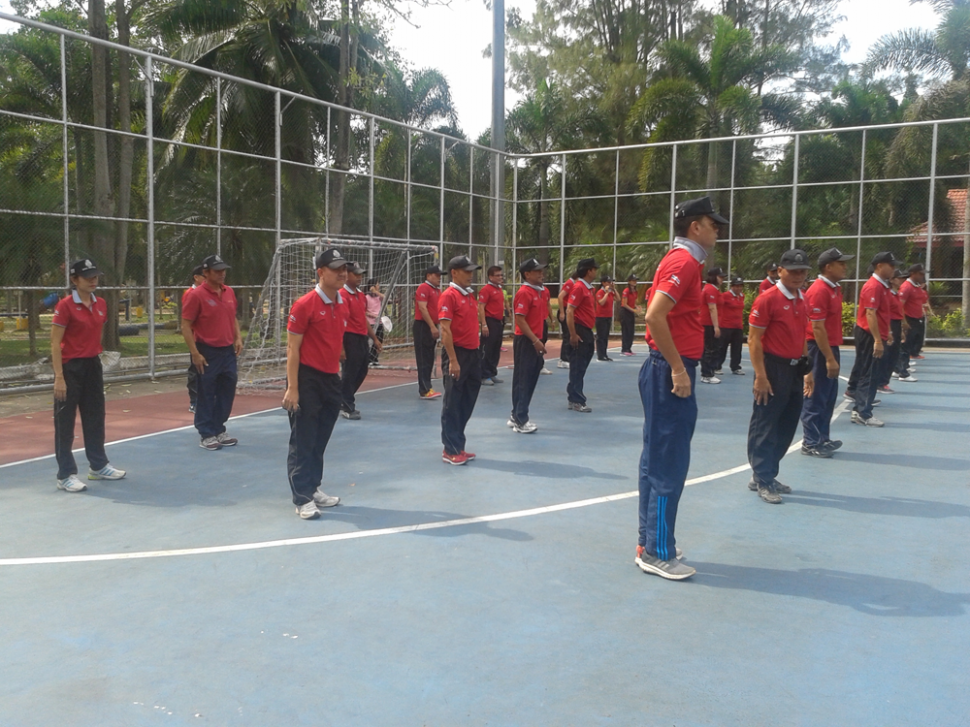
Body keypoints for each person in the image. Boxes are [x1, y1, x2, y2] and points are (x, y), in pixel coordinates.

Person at [635, 196, 725, 581]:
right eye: (712, 224)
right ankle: (657, 551)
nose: (717, 230)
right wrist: (677, 369)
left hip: (665, 367)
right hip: (669, 369)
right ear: (695, 227)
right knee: (668, 462)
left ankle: (650, 541)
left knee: (656, 458)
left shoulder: (684, 260)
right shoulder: (684, 262)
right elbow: (655, 316)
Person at [281, 248, 349, 520]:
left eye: (344, 268)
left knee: (321, 438)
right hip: (306, 378)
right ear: (321, 272)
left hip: (331, 379)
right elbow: (292, 348)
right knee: (303, 439)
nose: (342, 273)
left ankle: (313, 487)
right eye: (336, 269)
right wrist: (293, 387)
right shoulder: (304, 304)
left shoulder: (342, 302)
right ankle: (302, 497)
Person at [50, 258, 127, 492]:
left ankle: (98, 465)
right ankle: (65, 475)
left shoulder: (101, 303)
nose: (93, 280)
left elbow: (96, 334)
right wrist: (59, 376)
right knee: (65, 422)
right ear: (75, 280)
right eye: (87, 277)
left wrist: (94, 355)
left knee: (95, 416)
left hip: (92, 365)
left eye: (95, 276)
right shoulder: (65, 306)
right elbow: (55, 343)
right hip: (70, 368)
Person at [746, 249, 814, 504]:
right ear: (780, 271)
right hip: (773, 368)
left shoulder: (802, 299)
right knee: (765, 424)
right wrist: (760, 376)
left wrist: (807, 370)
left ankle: (766, 474)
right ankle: (763, 479)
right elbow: (754, 339)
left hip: (794, 369)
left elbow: (802, 335)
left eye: (803, 271)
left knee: (787, 424)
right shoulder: (768, 299)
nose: (799, 275)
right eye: (794, 271)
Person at [181, 254, 243, 451]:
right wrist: (195, 353)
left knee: (227, 389)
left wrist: (238, 337)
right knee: (207, 392)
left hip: (227, 351)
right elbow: (185, 325)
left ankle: (219, 428)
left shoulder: (229, 292)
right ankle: (206, 433)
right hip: (207, 351)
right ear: (206, 273)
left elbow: (232, 317)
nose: (221, 274)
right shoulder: (196, 295)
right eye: (217, 271)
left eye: (223, 270)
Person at [799, 247, 853, 458]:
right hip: (819, 348)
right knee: (816, 395)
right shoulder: (819, 290)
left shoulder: (833, 288)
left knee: (828, 395)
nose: (845, 267)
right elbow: (817, 328)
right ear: (828, 267)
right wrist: (829, 358)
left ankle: (822, 438)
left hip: (829, 347)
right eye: (841, 264)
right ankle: (810, 442)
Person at [439, 255, 484, 465]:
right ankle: (450, 449)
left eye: (471, 271)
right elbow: (445, 330)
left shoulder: (469, 295)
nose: (470, 275)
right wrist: (453, 360)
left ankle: (458, 443)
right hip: (457, 353)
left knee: (468, 399)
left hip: (473, 354)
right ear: (454, 273)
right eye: (466, 271)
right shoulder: (449, 296)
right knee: (453, 402)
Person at [847, 252, 897, 428]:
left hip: (873, 334)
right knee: (870, 374)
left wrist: (886, 332)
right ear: (879, 266)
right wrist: (877, 340)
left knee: (870, 373)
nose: (894, 269)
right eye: (891, 265)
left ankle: (859, 409)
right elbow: (870, 313)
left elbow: (882, 313)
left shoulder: (881, 286)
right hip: (868, 335)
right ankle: (864, 412)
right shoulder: (873, 286)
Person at [507, 258, 550, 434]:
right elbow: (520, 319)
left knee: (529, 379)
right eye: (537, 271)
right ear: (527, 274)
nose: (541, 274)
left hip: (533, 340)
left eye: (541, 270)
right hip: (526, 341)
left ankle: (516, 414)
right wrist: (535, 341)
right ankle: (520, 420)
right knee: (523, 380)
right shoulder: (525, 292)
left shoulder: (538, 292)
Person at [340, 262, 383, 419]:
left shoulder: (360, 296)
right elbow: (340, 322)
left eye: (360, 274)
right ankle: (346, 405)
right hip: (349, 337)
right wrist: (341, 347)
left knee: (362, 370)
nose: (359, 277)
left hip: (361, 337)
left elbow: (362, 318)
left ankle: (342, 397)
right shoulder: (342, 295)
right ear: (346, 275)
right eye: (355, 274)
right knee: (349, 372)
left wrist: (374, 338)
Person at [565, 258, 598, 412]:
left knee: (581, 366)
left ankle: (573, 395)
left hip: (586, 330)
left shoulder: (588, 288)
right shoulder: (579, 287)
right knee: (578, 366)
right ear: (588, 271)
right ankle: (576, 399)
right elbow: (570, 310)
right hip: (580, 330)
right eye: (594, 269)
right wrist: (573, 334)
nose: (596, 272)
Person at [896, 263, 933, 378]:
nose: (922, 276)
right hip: (909, 319)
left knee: (910, 344)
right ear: (913, 274)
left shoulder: (915, 286)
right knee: (905, 345)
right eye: (920, 274)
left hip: (916, 319)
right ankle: (902, 372)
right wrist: (904, 321)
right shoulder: (906, 287)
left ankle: (903, 367)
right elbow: (900, 305)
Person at [414, 265, 443, 400]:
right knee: (423, 358)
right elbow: (422, 308)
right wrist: (432, 326)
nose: (439, 278)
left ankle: (427, 386)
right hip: (422, 326)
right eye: (436, 275)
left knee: (430, 357)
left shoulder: (437, 290)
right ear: (428, 276)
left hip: (432, 325)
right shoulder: (423, 288)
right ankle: (424, 389)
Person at [877, 269, 907, 394]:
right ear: (892, 280)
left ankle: (884, 382)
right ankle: (880, 383)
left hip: (896, 324)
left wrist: (901, 329)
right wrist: (889, 331)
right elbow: (886, 314)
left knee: (894, 354)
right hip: (890, 324)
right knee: (887, 355)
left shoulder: (896, 294)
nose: (902, 281)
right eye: (899, 278)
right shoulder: (888, 294)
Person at [478, 265, 506, 386]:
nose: (500, 277)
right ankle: (483, 375)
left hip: (498, 321)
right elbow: (481, 307)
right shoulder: (486, 290)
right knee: (487, 349)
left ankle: (492, 372)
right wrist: (484, 324)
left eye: (501, 275)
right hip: (490, 321)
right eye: (497, 275)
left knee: (496, 348)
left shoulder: (499, 289)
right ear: (490, 277)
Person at [183, 264, 205, 413]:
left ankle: (206, 399)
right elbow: (188, 319)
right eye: (204, 276)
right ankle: (194, 401)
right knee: (195, 369)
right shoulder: (190, 294)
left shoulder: (209, 292)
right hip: (196, 338)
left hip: (207, 338)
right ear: (196, 277)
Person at [699, 267, 725, 383]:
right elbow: (712, 308)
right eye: (720, 277)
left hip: (710, 323)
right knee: (709, 349)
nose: (722, 279)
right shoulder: (710, 289)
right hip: (708, 323)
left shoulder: (713, 289)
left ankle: (709, 372)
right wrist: (716, 326)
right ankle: (707, 374)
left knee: (713, 348)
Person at [716, 276, 746, 375]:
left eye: (740, 286)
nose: (738, 288)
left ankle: (735, 367)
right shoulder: (725, 296)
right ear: (732, 286)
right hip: (726, 326)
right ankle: (717, 366)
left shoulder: (742, 296)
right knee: (722, 347)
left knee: (737, 348)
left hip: (738, 326)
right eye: (736, 286)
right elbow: (717, 306)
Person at [594, 276, 620, 361]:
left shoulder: (611, 292)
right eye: (608, 282)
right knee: (601, 337)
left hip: (608, 316)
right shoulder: (600, 292)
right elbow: (601, 302)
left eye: (610, 282)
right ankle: (600, 355)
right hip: (601, 317)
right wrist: (606, 293)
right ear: (603, 283)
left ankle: (604, 354)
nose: (610, 284)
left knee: (605, 336)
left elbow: (618, 299)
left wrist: (614, 289)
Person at [556, 273, 578, 369]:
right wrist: (562, 312)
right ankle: (563, 359)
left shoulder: (572, 284)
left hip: (567, 310)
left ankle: (567, 357)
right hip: (564, 310)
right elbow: (560, 296)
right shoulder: (570, 283)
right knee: (567, 335)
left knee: (569, 334)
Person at [364, 278, 385, 366]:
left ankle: (374, 359)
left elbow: (385, 297)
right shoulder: (366, 297)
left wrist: (376, 292)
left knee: (379, 340)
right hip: (371, 322)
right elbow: (364, 311)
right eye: (377, 284)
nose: (378, 286)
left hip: (379, 322)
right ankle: (368, 359)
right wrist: (374, 316)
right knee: (371, 341)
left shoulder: (378, 297)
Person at [619, 274, 640, 356]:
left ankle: (629, 348)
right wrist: (633, 310)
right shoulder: (626, 290)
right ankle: (624, 349)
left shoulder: (635, 291)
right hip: (625, 312)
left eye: (635, 280)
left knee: (631, 330)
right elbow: (624, 304)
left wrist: (637, 307)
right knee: (626, 330)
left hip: (630, 312)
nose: (635, 282)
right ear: (629, 281)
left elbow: (633, 302)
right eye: (633, 280)